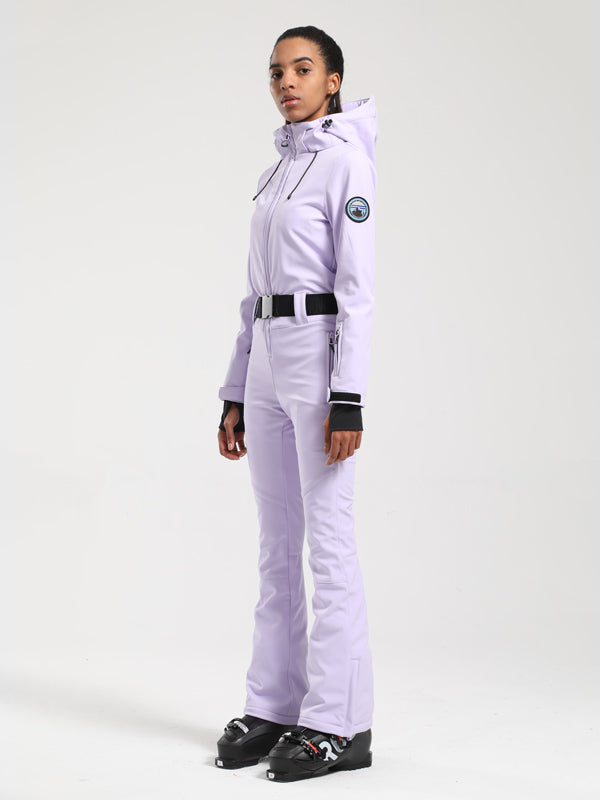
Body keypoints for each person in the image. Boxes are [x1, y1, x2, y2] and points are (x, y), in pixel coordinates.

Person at [214, 25, 377, 782]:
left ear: (332, 81)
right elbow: (253, 294)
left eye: (302, 69)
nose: (287, 82)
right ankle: (275, 704)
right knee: (276, 544)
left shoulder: (345, 164)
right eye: (277, 71)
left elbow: (358, 290)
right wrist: (234, 391)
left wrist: (348, 396)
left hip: (318, 355)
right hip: (267, 361)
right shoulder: (276, 172)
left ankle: (340, 724)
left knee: (328, 543)